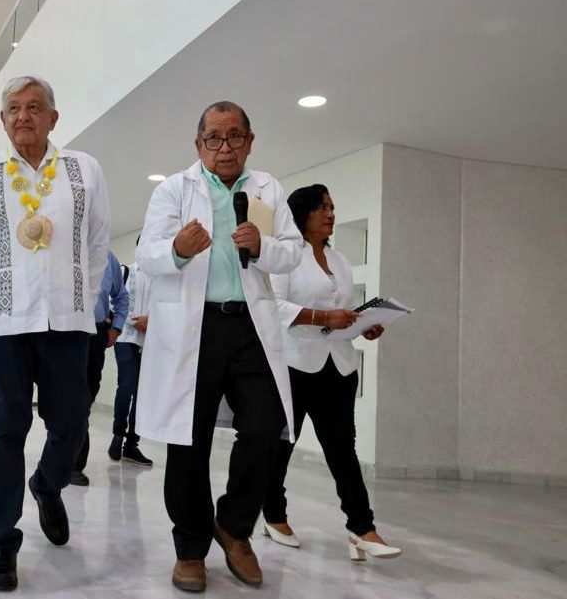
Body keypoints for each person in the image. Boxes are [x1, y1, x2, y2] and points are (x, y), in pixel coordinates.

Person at [0, 76, 110, 591]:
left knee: (72, 423)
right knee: (3, 428)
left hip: (68, 323)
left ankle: (47, 484)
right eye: (13, 108)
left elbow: (98, 242)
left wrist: (86, 301)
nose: (23, 116)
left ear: (53, 118)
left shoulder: (84, 170)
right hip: (3, 324)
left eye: (34, 107)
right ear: (3, 120)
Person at [135, 100, 303, 592]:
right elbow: (147, 254)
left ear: (250, 140)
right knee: (189, 440)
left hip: (250, 325)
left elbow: (290, 252)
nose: (224, 147)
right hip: (194, 327)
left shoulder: (268, 188)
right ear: (199, 144)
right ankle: (190, 548)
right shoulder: (173, 189)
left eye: (234, 137)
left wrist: (262, 247)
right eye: (213, 138)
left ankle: (232, 525)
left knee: (267, 427)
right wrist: (176, 251)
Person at [261, 184, 400, 560]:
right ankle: (273, 515)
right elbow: (272, 306)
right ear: (302, 214)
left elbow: (344, 309)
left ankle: (362, 527)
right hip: (295, 363)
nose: (331, 214)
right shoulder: (285, 257)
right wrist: (323, 317)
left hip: (338, 365)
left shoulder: (340, 260)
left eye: (333, 207)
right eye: (323, 207)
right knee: (281, 445)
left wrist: (363, 324)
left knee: (342, 449)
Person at [70, 249, 128, 486]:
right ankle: (62, 457)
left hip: (94, 334)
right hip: (63, 332)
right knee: (64, 399)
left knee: (84, 399)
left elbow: (121, 297)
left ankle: (74, 463)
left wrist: (116, 327)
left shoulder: (107, 257)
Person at [109, 248, 153, 466]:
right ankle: (118, 435)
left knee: (143, 394)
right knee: (126, 386)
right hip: (126, 338)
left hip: (149, 343)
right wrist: (134, 322)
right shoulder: (125, 271)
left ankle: (132, 445)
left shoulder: (161, 279)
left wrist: (151, 322)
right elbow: (114, 303)